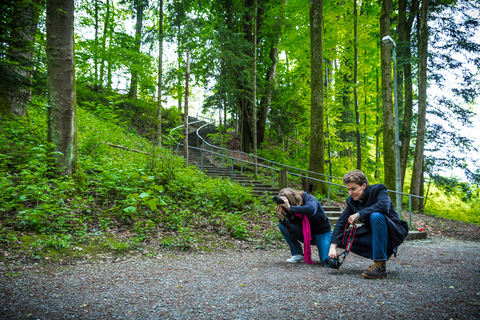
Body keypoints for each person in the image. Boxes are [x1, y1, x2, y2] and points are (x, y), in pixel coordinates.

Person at [328, 170, 409, 279]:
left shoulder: (379, 189)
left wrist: (359, 214)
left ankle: (379, 263)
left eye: (353, 189)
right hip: (372, 233)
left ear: (364, 186)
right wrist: (333, 246)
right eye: (348, 189)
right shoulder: (351, 201)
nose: (350, 193)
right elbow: (342, 222)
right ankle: (384, 254)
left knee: (375, 215)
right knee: (342, 237)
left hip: (393, 231)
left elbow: (384, 206)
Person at [275, 188, 332, 265]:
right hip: (305, 235)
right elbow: (296, 231)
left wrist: (290, 208)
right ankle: (297, 254)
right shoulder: (289, 211)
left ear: (292, 199)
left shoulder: (308, 198)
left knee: (327, 262)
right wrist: (282, 218)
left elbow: (311, 210)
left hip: (322, 233)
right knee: (283, 224)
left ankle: (333, 246)